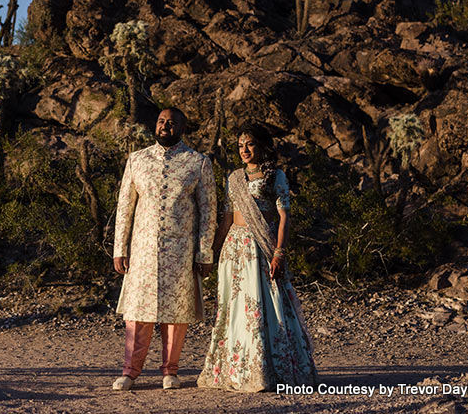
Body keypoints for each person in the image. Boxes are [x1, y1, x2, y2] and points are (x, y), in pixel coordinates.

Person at [197, 124, 316, 391]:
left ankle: (269, 370)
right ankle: (236, 371)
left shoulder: (276, 177)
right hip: (234, 249)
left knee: (266, 306)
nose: (244, 150)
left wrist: (279, 252)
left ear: (262, 146)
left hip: (260, 247)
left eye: (249, 144)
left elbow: (284, 217)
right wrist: (212, 253)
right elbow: (227, 218)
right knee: (234, 307)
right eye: (240, 145)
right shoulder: (234, 178)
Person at [112, 107, 216, 391]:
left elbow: (209, 212)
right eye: (161, 121)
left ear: (183, 127)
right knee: (138, 313)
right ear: (154, 125)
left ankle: (170, 371)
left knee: (176, 312)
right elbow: (125, 207)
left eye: (172, 122)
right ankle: (130, 372)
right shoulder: (137, 160)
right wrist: (119, 248)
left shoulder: (198, 163)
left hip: (180, 251)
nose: (165, 126)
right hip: (143, 250)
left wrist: (204, 253)